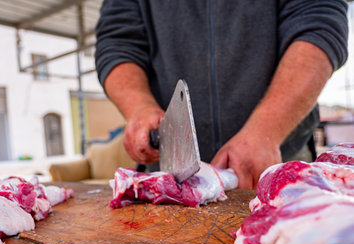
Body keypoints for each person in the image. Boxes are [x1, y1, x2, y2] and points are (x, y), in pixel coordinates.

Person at [95, 1, 349, 189]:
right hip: (168, 174)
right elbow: (118, 42)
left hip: (279, 161)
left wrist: (266, 130)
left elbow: (318, 25)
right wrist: (138, 106)